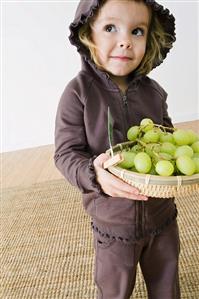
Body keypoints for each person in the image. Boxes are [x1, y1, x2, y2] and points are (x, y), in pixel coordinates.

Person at [54, 0, 180, 298]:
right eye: (111, 28)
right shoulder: (78, 93)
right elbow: (65, 153)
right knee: (113, 289)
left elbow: (168, 139)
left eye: (137, 31)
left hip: (161, 214)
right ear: (88, 33)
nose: (125, 40)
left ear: (150, 39)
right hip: (113, 223)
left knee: (167, 284)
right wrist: (93, 173)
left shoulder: (154, 92)